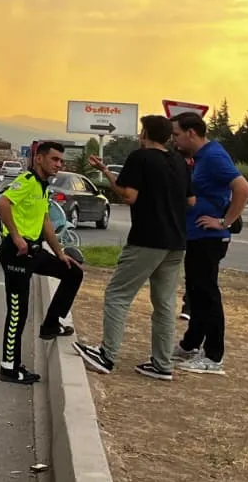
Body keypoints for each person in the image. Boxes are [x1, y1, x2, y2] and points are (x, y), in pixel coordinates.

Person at [73, 116, 191, 380]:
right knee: (164, 304)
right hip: (176, 243)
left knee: (118, 294)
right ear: (168, 136)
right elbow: (191, 200)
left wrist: (110, 179)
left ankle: (106, 355)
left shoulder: (141, 157)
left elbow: (129, 196)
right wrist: (106, 171)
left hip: (147, 239)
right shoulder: (180, 162)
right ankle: (162, 364)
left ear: (145, 133)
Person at [0, 141, 83, 385]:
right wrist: (16, 236)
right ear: (39, 159)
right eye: (54, 159)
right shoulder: (28, 181)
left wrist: (60, 253)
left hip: (34, 252)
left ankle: (51, 324)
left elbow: (46, 224)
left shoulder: (43, 188)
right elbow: (2, 203)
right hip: (17, 253)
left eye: (61, 161)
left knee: (73, 272)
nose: (59, 164)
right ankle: (9, 367)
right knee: (17, 311)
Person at [171, 112, 248, 375]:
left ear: (191, 132)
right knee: (196, 294)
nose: (175, 139)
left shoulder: (214, 156)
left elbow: (243, 189)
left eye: (177, 134)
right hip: (196, 236)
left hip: (210, 238)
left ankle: (214, 357)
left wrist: (224, 222)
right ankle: (191, 344)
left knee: (207, 295)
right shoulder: (202, 157)